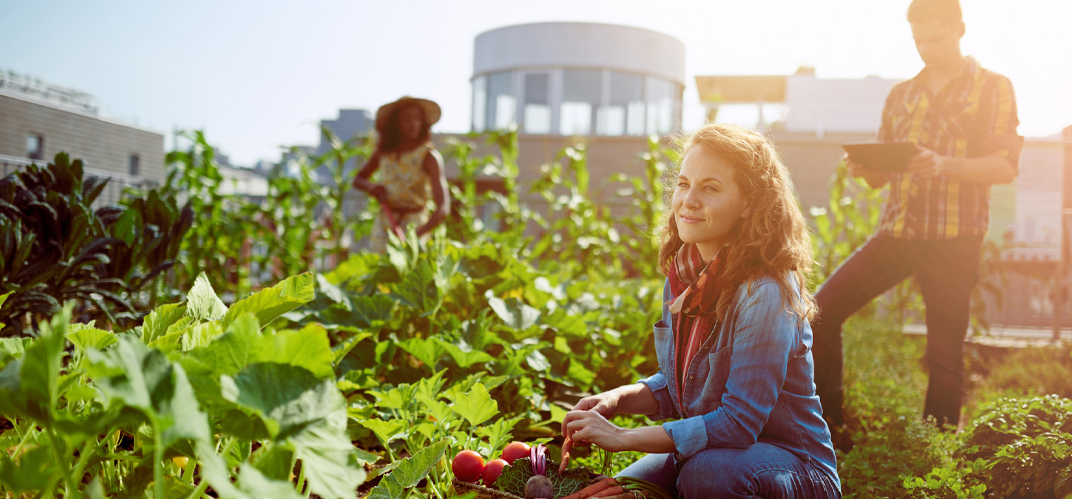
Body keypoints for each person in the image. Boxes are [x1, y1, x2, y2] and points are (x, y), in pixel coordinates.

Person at [561, 124, 841, 498]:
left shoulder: (767, 292)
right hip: (717, 452)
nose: (688, 200)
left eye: (710, 188)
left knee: (704, 475)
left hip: (796, 466)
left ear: (749, 204)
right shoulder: (685, 277)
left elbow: (739, 423)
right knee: (618, 490)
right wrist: (617, 400)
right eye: (683, 184)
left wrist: (623, 437)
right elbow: (680, 384)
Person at [810, 0, 1021, 441]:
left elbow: (1004, 167)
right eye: (918, 40)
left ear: (960, 28)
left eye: (935, 39)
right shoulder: (901, 94)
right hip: (898, 234)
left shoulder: (993, 87)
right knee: (819, 313)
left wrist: (943, 165)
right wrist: (868, 172)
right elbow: (885, 176)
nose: (926, 49)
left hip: (954, 239)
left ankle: (936, 450)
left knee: (944, 354)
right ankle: (829, 429)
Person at [352, 96, 450, 252]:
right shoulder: (383, 153)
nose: (413, 124)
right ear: (395, 124)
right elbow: (358, 179)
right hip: (385, 225)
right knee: (379, 272)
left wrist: (418, 234)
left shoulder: (429, 156)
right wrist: (373, 188)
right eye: (407, 119)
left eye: (417, 119)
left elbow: (443, 208)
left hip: (415, 226)